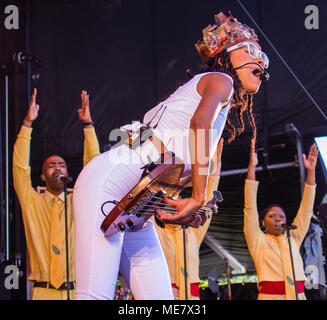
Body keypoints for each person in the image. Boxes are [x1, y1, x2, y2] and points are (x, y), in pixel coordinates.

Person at [72, 11, 268, 300]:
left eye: (265, 57)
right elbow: (198, 124)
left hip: (138, 202)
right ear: (226, 55)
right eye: (253, 51)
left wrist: (175, 211)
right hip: (112, 180)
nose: (262, 61)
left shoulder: (208, 96)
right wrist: (199, 195)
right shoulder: (221, 80)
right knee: (94, 295)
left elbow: (163, 164)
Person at [13, 89, 100, 300]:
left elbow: (93, 168)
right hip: (43, 292)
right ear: (43, 176)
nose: (58, 168)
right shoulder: (31, 201)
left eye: (61, 165)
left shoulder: (77, 202)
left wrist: (88, 125)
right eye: (51, 166)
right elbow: (19, 168)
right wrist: (27, 125)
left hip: (76, 291)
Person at [243, 138, 318, 300]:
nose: (277, 218)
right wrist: (252, 168)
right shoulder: (257, 240)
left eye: (281, 216)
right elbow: (250, 206)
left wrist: (311, 172)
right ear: (263, 223)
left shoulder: (293, 237)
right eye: (272, 216)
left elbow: (306, 210)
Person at [154, 139, 223, 300]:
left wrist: (216, 162)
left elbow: (209, 196)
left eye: (177, 202)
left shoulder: (193, 235)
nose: (173, 205)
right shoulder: (156, 233)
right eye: (169, 202)